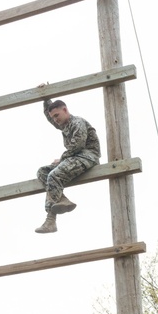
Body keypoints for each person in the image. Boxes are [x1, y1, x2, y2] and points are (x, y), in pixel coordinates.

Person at [34, 91, 101, 235]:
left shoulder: (77, 123)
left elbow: (77, 145)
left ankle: (50, 220)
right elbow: (49, 116)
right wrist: (46, 96)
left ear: (65, 110)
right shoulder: (63, 124)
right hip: (74, 157)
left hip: (88, 156)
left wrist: (62, 159)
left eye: (57, 115)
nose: (55, 120)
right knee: (42, 172)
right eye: (54, 117)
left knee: (53, 175)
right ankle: (61, 198)